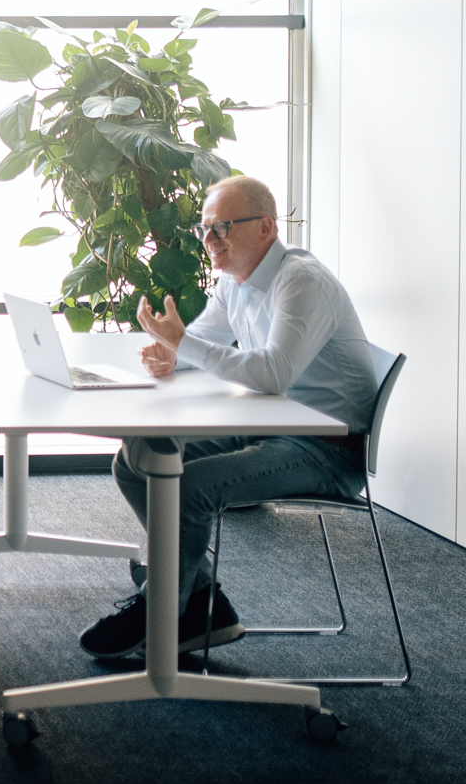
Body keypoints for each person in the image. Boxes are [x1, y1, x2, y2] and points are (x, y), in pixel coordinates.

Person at [79, 174, 378, 661]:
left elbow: (273, 373)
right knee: (136, 458)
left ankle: (163, 612)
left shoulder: (300, 281)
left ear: (265, 228)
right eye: (205, 229)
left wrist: (184, 345)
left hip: (325, 448)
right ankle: (197, 601)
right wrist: (175, 355)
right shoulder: (234, 282)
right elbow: (205, 342)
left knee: (190, 489)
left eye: (222, 227)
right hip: (272, 424)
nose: (209, 239)